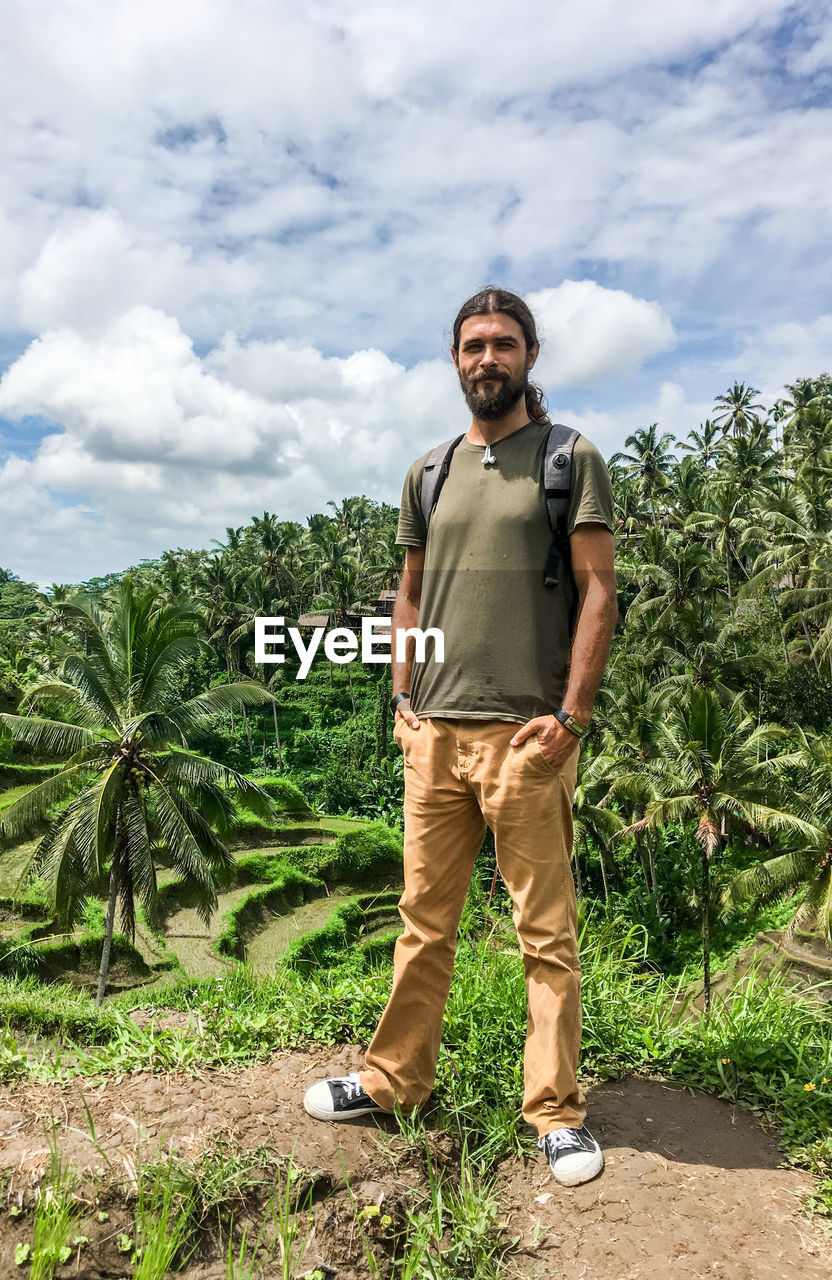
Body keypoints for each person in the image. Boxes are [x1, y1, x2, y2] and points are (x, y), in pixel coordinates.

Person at [303, 287, 618, 1188]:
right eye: (475, 345)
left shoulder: (569, 458)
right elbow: (410, 591)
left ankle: (555, 1114)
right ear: (455, 360)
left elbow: (599, 590)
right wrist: (400, 693)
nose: (489, 359)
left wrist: (570, 718)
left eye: (505, 344)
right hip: (433, 736)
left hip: (527, 740)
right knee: (421, 924)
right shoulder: (428, 471)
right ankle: (394, 1080)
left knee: (544, 934)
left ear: (530, 355)